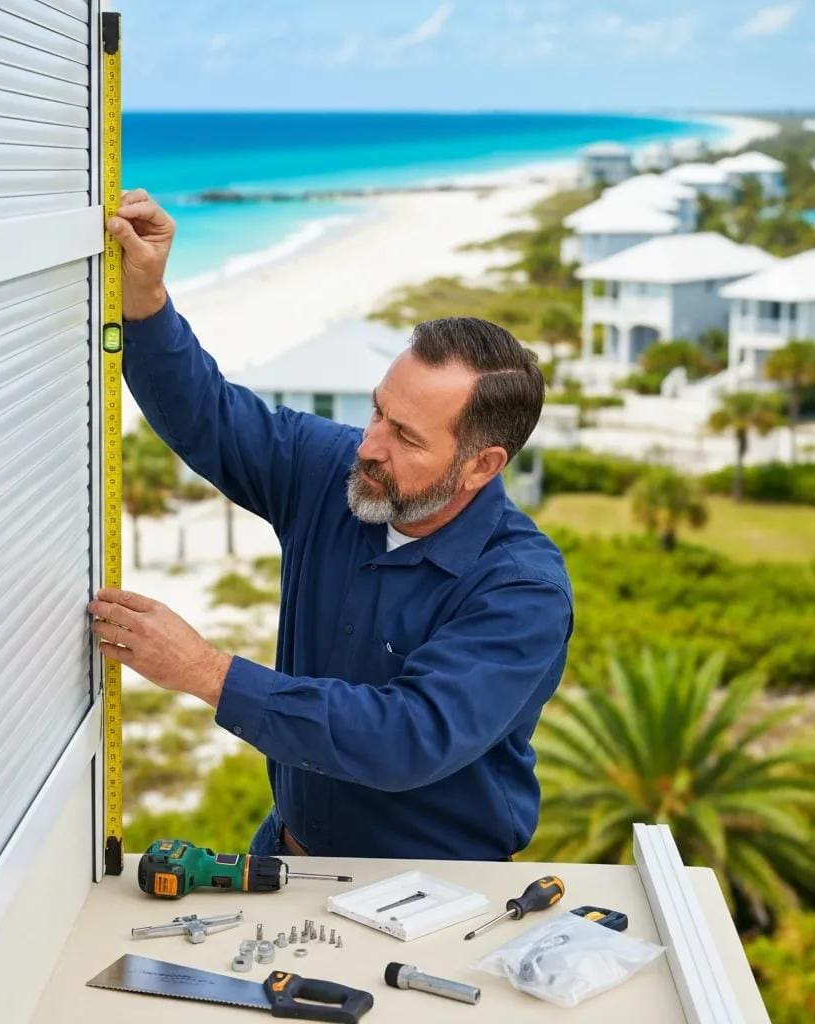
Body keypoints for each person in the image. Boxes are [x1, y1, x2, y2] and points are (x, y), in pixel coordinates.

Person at [88, 189, 573, 861]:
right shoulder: (338, 473)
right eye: (378, 412)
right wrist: (145, 298)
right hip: (286, 854)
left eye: (405, 435)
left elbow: (408, 736)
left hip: (435, 895)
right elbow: (209, 416)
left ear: (480, 466)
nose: (371, 445)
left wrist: (205, 671)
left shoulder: (522, 591)